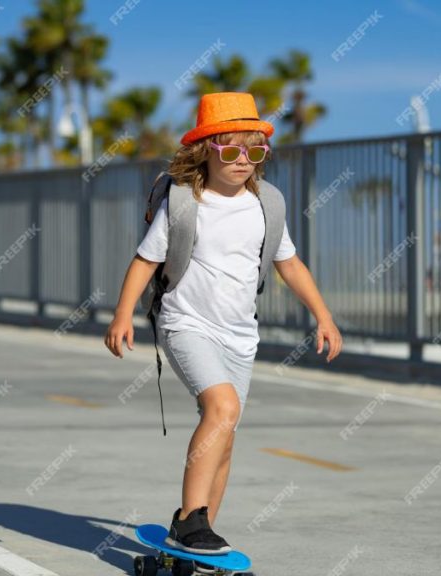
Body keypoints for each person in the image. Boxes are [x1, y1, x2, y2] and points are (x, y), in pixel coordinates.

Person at [104, 92, 342, 556]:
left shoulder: (266, 204)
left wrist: (324, 315)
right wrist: (121, 314)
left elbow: (289, 263)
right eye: (230, 150)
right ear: (204, 151)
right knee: (223, 409)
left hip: (240, 335)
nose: (242, 160)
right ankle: (188, 520)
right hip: (185, 323)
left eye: (254, 151)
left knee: (225, 433)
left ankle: (202, 535)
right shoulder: (184, 203)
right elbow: (145, 260)